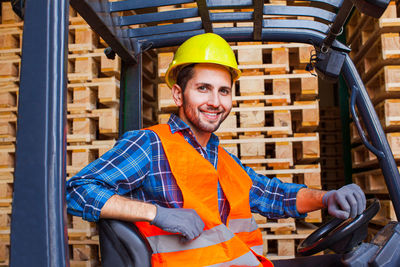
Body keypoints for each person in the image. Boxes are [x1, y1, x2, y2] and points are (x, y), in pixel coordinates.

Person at [66, 33, 366, 266]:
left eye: (223, 91)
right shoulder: (149, 144)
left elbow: (269, 194)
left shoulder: (219, 158)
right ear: (178, 93)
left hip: (235, 262)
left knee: (339, 263)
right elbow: (77, 191)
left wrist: (326, 198)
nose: (215, 101)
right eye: (203, 88)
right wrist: (156, 213)